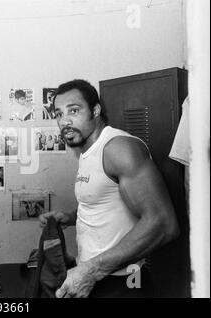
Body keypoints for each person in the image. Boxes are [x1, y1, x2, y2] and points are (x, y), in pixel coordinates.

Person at [39, 79, 179, 298]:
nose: (64, 121)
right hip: (98, 277)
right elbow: (109, 201)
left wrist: (91, 271)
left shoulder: (118, 148)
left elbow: (163, 223)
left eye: (74, 110)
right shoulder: (88, 149)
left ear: (95, 110)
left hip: (125, 280)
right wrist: (69, 217)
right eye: (58, 114)